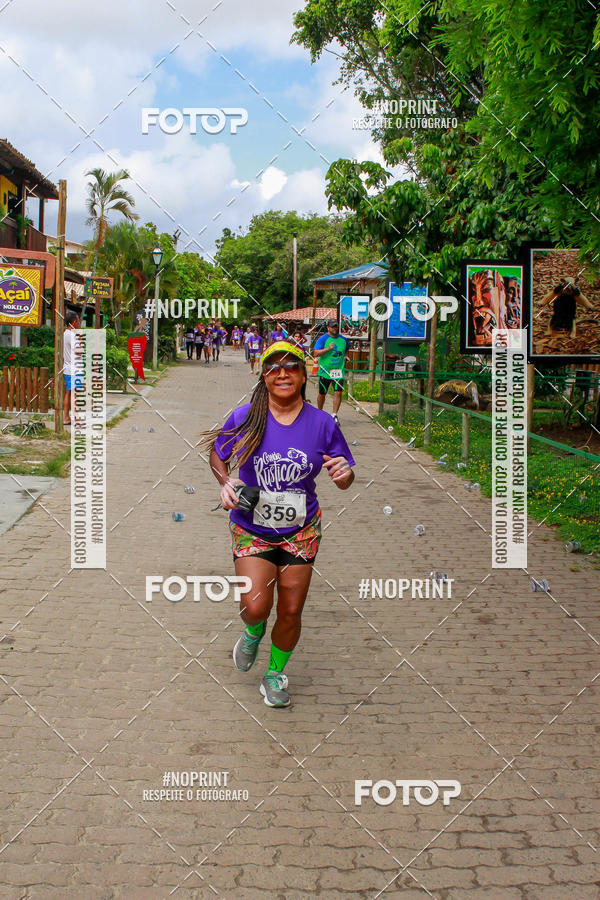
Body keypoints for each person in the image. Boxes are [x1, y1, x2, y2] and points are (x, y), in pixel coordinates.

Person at [206, 341, 355, 707]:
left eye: (291, 367)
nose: (282, 373)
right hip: (252, 524)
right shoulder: (245, 417)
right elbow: (217, 454)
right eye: (274, 367)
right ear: (264, 376)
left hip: (301, 529)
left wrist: (344, 475)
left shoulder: (322, 424)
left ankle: (274, 674)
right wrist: (225, 482)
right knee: (256, 606)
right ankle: (253, 631)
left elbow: (344, 474)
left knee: (290, 610)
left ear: (304, 376)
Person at [313, 319, 349, 425]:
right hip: (325, 371)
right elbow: (315, 353)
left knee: (338, 392)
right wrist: (328, 349)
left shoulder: (344, 339)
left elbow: (346, 349)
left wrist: (346, 356)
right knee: (322, 393)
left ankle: (334, 414)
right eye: (332, 326)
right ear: (328, 328)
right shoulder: (323, 339)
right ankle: (319, 413)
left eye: (336, 326)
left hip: (338, 371)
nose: (335, 328)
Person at [63, 310, 81, 425]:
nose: (79, 323)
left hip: (67, 367)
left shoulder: (65, 334)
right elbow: (79, 351)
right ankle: (77, 418)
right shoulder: (73, 336)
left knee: (68, 393)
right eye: (78, 321)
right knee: (75, 394)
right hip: (75, 368)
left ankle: (66, 417)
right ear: (74, 322)